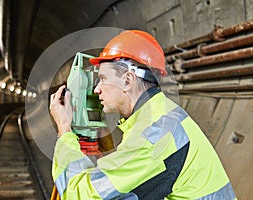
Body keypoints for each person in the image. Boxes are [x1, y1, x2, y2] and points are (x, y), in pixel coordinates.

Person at [50, 30, 236, 199]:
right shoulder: (160, 114)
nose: (97, 89)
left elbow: (79, 194)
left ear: (128, 80)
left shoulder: (152, 134)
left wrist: (65, 131)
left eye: (103, 79)